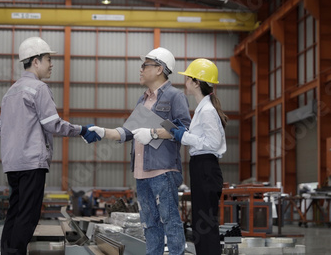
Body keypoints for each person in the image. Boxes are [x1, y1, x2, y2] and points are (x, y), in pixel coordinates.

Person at [0, 37, 100, 255]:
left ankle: (6, 252)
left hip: (12, 164)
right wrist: (81, 130)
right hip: (32, 163)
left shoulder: (10, 92)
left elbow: (1, 128)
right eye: (48, 59)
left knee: (15, 212)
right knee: (28, 215)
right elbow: (53, 124)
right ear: (35, 61)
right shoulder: (39, 88)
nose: (51, 64)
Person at [88, 47, 191, 255]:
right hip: (141, 173)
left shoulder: (174, 96)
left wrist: (153, 132)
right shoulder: (143, 100)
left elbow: (183, 130)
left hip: (163, 171)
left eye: (145, 65)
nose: (141, 69)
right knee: (149, 224)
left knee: (170, 222)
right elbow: (128, 131)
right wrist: (104, 132)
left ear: (160, 69)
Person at [171, 58, 227, 255]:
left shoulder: (208, 111)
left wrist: (184, 136)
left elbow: (212, 144)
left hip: (206, 167)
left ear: (196, 82)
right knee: (200, 224)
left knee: (205, 225)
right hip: (201, 167)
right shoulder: (203, 109)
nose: (185, 82)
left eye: (188, 79)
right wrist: (185, 132)